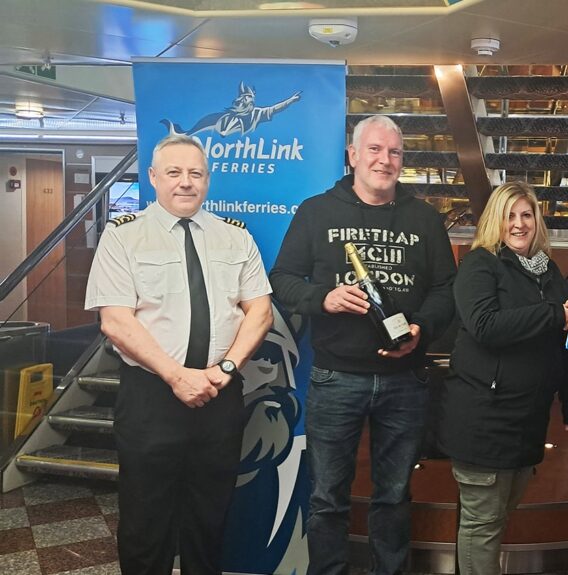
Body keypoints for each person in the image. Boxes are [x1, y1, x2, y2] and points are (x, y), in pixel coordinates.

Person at [269, 114, 457, 575]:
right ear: (353, 155)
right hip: (336, 378)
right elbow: (282, 280)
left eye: (394, 152)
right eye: (374, 149)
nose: (384, 160)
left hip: (406, 381)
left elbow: (446, 290)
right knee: (327, 496)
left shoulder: (425, 218)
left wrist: (421, 330)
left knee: (393, 496)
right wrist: (323, 298)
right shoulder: (316, 211)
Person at [85, 133, 273, 575]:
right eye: (174, 173)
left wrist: (224, 370)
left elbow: (260, 312)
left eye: (195, 173)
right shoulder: (123, 236)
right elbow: (115, 320)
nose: (185, 182)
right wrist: (176, 375)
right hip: (151, 396)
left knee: (209, 516)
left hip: (219, 394)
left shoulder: (234, 237)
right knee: (145, 520)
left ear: (208, 179)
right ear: (153, 177)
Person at [437, 182, 568, 575]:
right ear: (495, 221)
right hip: (484, 419)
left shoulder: (547, 270)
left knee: (498, 519)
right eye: (510, 216)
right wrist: (555, 314)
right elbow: (485, 325)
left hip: (526, 421)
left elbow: (559, 339)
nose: (519, 224)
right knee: (482, 525)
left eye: (527, 214)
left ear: (538, 220)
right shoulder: (479, 264)